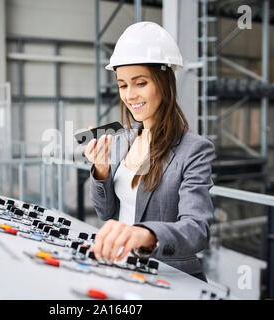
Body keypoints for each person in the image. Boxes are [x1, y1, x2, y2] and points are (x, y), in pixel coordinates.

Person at [84, 21, 216, 282]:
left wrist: (145, 235)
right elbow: (106, 213)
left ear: (165, 82)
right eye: (123, 85)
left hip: (169, 276)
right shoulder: (124, 139)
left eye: (140, 83)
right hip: (123, 268)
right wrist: (101, 169)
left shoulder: (194, 150)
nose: (130, 95)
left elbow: (196, 229)